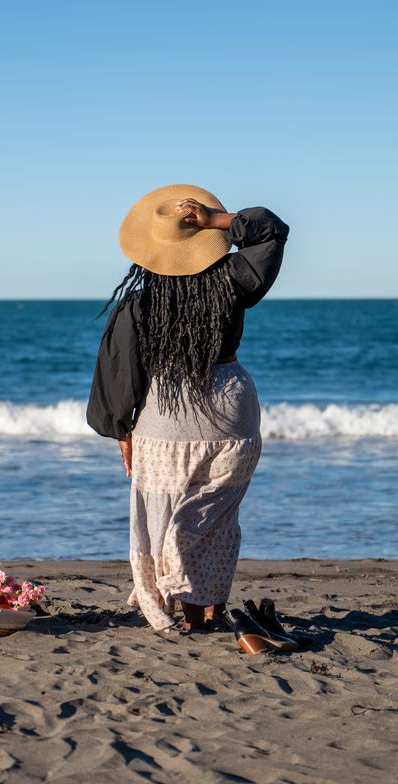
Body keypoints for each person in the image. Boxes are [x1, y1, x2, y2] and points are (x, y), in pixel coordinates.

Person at [86, 184, 290, 633]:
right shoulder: (235, 281)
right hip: (230, 406)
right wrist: (218, 221)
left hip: (165, 415)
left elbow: (121, 372)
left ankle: (186, 608)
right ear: (203, 236)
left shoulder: (140, 303)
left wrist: (122, 430)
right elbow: (271, 228)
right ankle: (210, 608)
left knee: (165, 512)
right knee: (215, 516)